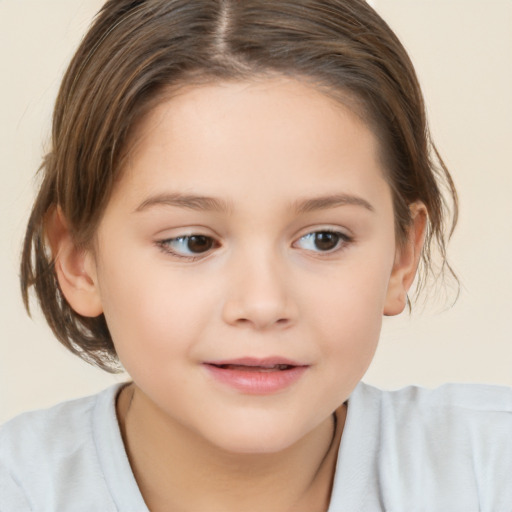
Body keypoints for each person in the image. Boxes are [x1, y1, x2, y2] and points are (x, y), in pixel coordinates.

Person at [1, 0, 510, 510]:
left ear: (402, 256)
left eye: (324, 239)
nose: (263, 304)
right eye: (193, 242)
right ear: (77, 258)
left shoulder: (489, 468)